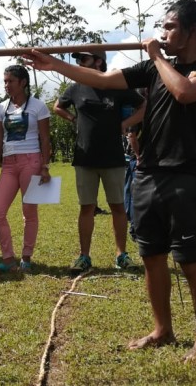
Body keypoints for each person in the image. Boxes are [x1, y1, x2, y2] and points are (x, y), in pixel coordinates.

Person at [25, 0, 196, 363]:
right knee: (151, 255)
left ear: (192, 31)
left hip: (185, 173)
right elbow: (102, 78)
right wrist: (53, 63)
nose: (162, 33)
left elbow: (186, 93)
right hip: (148, 173)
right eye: (162, 27)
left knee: (191, 260)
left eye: (169, 27)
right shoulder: (155, 69)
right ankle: (162, 329)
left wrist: (157, 58)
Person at [54, 50, 145, 274]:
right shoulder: (75, 88)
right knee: (87, 207)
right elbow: (57, 106)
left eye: (83, 59)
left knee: (117, 207)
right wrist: (74, 119)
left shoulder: (116, 85)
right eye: (77, 60)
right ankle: (84, 256)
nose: (78, 63)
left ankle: (121, 255)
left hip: (113, 158)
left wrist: (126, 124)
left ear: (98, 61)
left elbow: (144, 106)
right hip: (85, 158)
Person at [0, 65, 52, 274]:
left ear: (23, 82)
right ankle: (8, 259)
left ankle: (26, 258)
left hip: (31, 162)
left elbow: (45, 138)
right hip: (8, 164)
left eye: (10, 81)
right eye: (4, 81)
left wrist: (44, 166)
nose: (6, 85)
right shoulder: (1, 108)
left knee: (29, 211)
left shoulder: (38, 106)